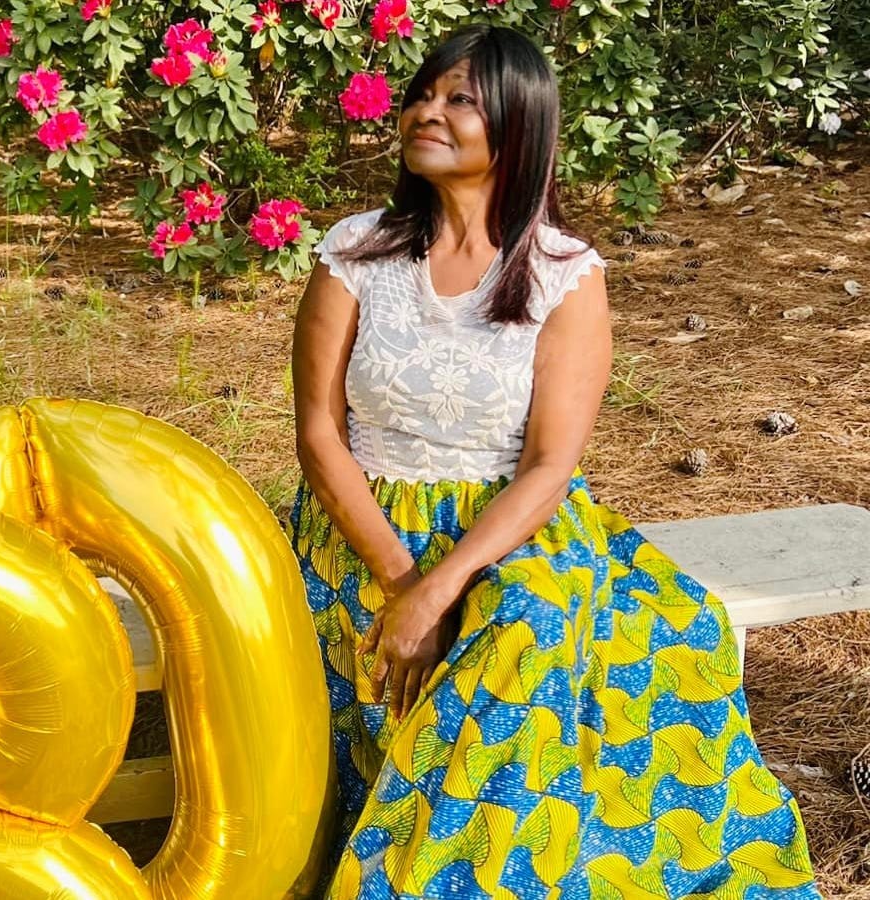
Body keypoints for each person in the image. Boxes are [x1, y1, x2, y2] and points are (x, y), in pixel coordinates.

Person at [287, 24, 820, 899]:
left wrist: (439, 589)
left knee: (526, 625)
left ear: (518, 125)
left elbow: (548, 466)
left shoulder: (564, 275)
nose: (427, 112)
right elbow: (318, 432)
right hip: (362, 524)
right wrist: (400, 579)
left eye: (460, 99)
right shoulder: (355, 252)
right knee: (402, 643)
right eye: (423, 94)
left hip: (512, 527)